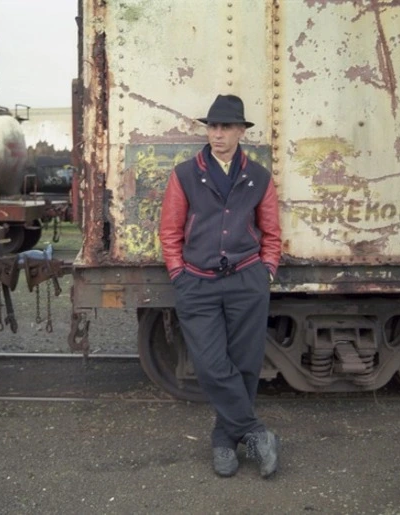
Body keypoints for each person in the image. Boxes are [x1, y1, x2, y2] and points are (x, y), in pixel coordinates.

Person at [159, 94, 282, 478]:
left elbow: (272, 233)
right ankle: (256, 433)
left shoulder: (259, 177)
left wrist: (267, 270)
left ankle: (223, 442)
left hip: (247, 279)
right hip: (197, 282)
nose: (217, 134)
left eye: (226, 127)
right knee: (212, 366)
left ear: (241, 131)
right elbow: (170, 230)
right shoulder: (184, 175)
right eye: (212, 126)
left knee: (245, 366)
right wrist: (179, 273)